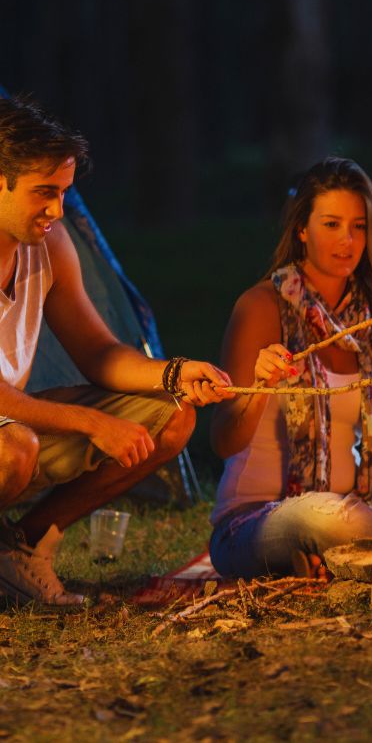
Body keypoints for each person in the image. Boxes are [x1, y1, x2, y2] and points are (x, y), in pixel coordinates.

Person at [0, 95, 234, 606]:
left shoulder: (50, 247)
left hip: (14, 429)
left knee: (173, 418)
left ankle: (21, 549)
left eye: (64, 192)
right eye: (45, 192)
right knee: (14, 449)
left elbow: (98, 353)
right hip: (8, 437)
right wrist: (91, 424)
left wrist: (174, 374)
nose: (57, 210)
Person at [208, 157, 372, 579]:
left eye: (359, 226)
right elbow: (224, 440)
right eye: (331, 224)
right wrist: (261, 386)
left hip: (363, 507)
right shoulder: (262, 307)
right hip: (258, 522)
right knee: (326, 518)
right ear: (302, 229)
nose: (347, 241)